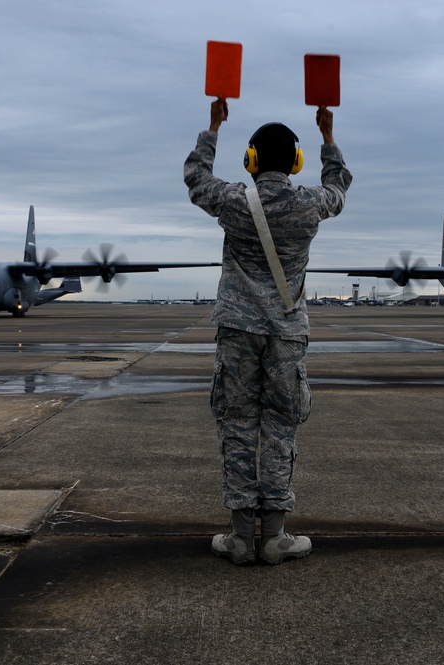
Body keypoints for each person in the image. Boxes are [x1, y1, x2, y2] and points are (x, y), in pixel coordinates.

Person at [184, 98, 352, 565]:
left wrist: (213, 127)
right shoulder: (309, 205)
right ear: (295, 162)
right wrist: (328, 137)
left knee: (237, 424)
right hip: (286, 332)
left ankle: (240, 538)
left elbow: (197, 179)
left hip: (237, 330)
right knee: (280, 427)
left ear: (251, 161)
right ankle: (276, 536)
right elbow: (337, 187)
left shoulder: (235, 201)